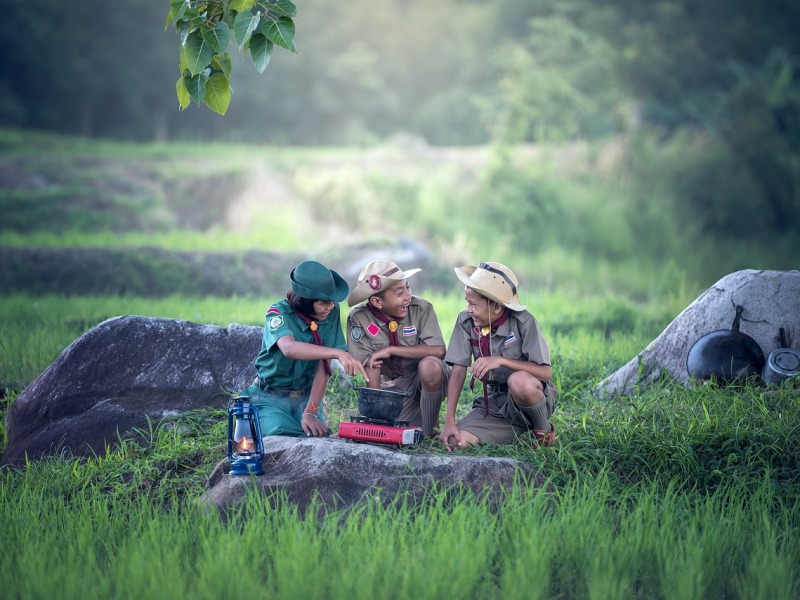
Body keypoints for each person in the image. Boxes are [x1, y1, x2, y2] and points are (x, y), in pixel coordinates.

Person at [238, 260, 369, 438]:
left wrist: (311, 412)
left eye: (332, 302)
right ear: (305, 301)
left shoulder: (330, 311)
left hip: (306, 400)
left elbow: (324, 367)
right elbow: (289, 348)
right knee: (282, 435)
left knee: (317, 439)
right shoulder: (278, 313)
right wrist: (337, 352)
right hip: (270, 399)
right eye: (323, 302)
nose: (330, 307)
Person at [439, 261, 557, 450]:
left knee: (519, 382)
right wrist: (449, 421)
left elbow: (545, 373)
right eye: (467, 302)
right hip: (495, 404)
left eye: (473, 304)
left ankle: (541, 430)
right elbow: (459, 370)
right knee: (455, 442)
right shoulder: (466, 322)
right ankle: (516, 434)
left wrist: (501, 361)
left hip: (530, 397)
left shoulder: (523, 322)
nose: (468, 309)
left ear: (496, 307)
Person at [346, 259, 449, 437]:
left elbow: (438, 350)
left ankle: (431, 428)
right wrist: (375, 416)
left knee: (430, 367)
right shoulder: (359, 318)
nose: (408, 296)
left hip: (421, 380)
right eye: (399, 292)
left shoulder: (421, 309)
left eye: (408, 288)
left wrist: (392, 350)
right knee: (391, 428)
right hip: (391, 388)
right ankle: (407, 418)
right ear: (377, 302)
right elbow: (369, 364)